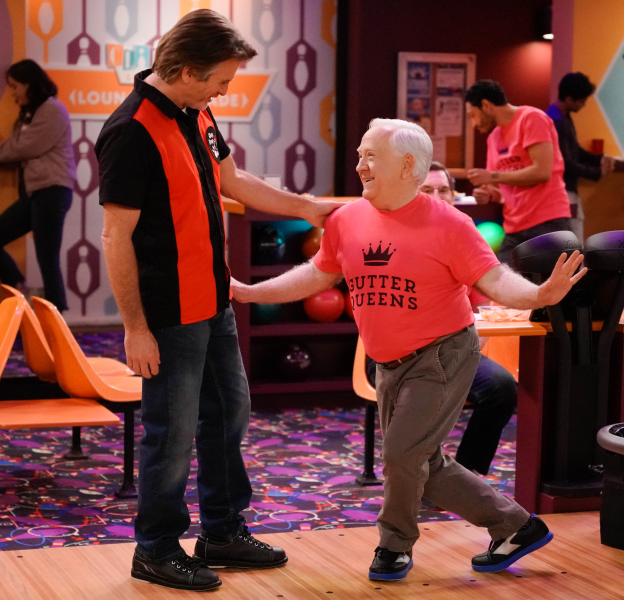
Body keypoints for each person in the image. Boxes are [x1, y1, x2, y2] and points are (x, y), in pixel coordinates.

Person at [232, 118, 586, 581]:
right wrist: (249, 292)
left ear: (406, 165)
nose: (359, 165)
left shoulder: (450, 224)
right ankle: (517, 527)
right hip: (387, 361)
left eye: (370, 156)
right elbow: (318, 274)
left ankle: (393, 545)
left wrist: (539, 295)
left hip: (441, 354)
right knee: (423, 462)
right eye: (360, 155)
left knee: (401, 456)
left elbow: (495, 278)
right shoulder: (346, 218)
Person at [95, 9, 341, 592]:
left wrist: (305, 207)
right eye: (221, 81)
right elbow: (115, 237)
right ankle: (156, 549)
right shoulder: (131, 131)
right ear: (186, 70)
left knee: (229, 413)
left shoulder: (195, 111)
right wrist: (135, 328)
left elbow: (231, 180)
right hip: (167, 312)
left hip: (214, 299)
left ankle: (223, 531)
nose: (225, 92)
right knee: (171, 433)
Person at [369, 161, 518, 476]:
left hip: (455, 348)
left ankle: (464, 476)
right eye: (427, 190)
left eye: (444, 190)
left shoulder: (466, 239)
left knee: (502, 388)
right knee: (425, 387)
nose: (437, 197)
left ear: (454, 195)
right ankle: (417, 477)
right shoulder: (390, 237)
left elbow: (482, 313)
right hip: (398, 354)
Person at [0, 59, 76, 311]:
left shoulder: (52, 109)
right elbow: (16, 145)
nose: (12, 93)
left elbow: (23, 147)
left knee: (47, 257)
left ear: (29, 84)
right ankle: (21, 290)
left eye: (14, 86)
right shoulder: (30, 113)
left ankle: (56, 315)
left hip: (52, 191)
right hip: (36, 193)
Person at [464, 79, 572, 264]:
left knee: (554, 283)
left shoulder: (531, 118)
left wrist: (492, 176)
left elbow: (542, 172)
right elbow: (501, 188)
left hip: (548, 222)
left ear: (486, 106)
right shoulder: (494, 137)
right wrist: (489, 195)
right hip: (514, 227)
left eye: (473, 115)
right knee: (503, 281)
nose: (473, 124)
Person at [545, 73, 616, 242]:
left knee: (572, 235)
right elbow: (565, 162)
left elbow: (574, 150)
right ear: (569, 99)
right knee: (572, 238)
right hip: (562, 191)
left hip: (562, 190)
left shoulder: (560, 116)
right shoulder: (557, 121)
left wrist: (599, 159)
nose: (583, 105)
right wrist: (596, 172)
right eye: (582, 101)